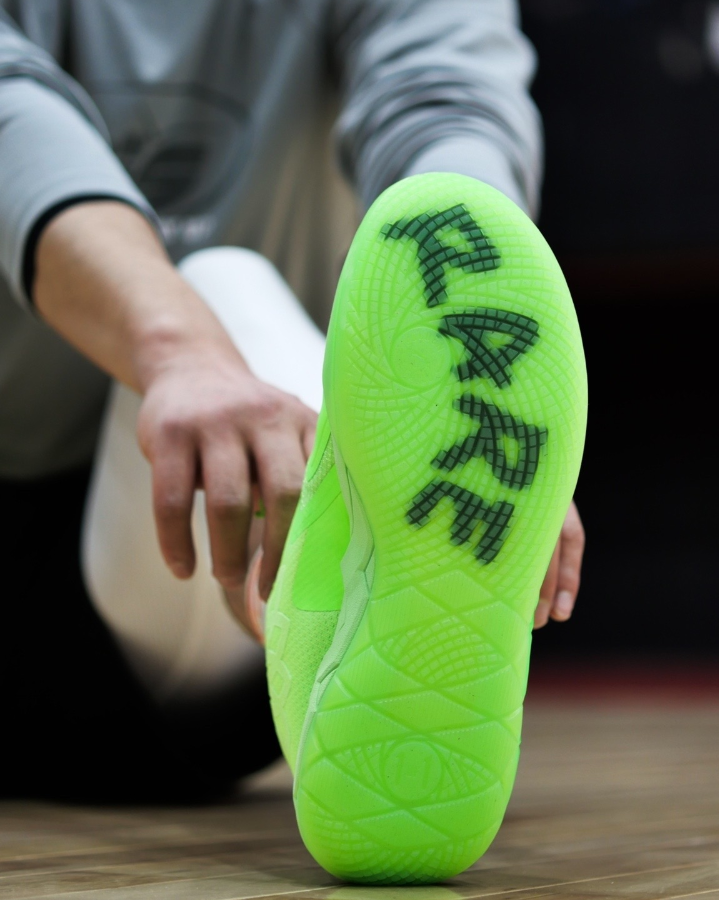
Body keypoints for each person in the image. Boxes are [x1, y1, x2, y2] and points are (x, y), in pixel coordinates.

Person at [0, 0, 584, 802]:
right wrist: (177, 350)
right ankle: (371, 574)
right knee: (220, 290)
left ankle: (353, 568)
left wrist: (472, 383)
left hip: (227, 605)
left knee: (231, 285)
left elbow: (449, 106)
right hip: (38, 561)